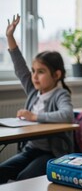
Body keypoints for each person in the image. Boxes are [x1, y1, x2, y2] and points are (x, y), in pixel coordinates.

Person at [0, 14, 74, 183]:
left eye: (41, 72)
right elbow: (20, 67)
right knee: (2, 171)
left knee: (23, 178)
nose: (34, 76)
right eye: (33, 71)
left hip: (51, 154)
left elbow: (67, 115)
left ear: (57, 74)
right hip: (30, 150)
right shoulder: (34, 91)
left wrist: (34, 117)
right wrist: (10, 37)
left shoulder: (60, 94)